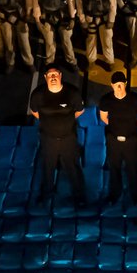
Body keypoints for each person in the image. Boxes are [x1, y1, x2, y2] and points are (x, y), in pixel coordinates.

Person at [28, 65, 85, 205]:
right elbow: (35, 112)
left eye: (55, 75)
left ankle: (79, 196)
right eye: (50, 75)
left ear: (60, 76)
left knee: (73, 167)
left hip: (68, 138)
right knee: (48, 167)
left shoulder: (72, 93)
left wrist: (66, 123)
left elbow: (79, 111)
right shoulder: (38, 95)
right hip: (48, 138)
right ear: (45, 78)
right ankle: (46, 194)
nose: (53, 77)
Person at [98, 71, 137, 206]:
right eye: (116, 85)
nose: (119, 87)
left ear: (125, 84)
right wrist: (114, 127)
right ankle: (114, 195)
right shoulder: (105, 100)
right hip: (113, 141)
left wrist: (132, 127)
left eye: (121, 84)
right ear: (112, 85)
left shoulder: (136, 99)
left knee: (133, 169)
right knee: (114, 169)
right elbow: (103, 117)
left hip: (131, 140)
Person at [32, 0, 78, 71]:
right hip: (47, 17)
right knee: (49, 39)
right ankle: (49, 63)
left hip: (63, 17)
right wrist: (37, 21)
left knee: (66, 38)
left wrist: (72, 18)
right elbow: (35, 2)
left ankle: (71, 62)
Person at [75, 0, 117, 70]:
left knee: (107, 40)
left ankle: (110, 60)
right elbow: (79, 3)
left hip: (105, 17)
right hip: (90, 17)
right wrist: (82, 20)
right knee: (90, 41)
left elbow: (113, 2)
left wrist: (111, 20)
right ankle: (91, 60)